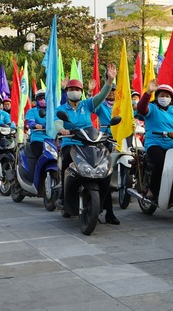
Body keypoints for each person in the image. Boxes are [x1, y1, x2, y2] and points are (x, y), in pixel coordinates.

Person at [56, 63, 119, 225]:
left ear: (81, 92)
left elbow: (101, 97)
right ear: (67, 92)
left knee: (105, 171)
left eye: (77, 90)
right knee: (67, 163)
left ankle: (109, 212)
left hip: (90, 143)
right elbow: (57, 122)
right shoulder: (62, 108)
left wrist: (109, 81)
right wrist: (61, 130)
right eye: (71, 89)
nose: (74, 92)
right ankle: (64, 196)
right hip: (71, 143)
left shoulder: (87, 104)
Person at [136, 79, 173, 201]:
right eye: (162, 95)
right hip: (154, 143)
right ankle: (152, 190)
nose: (164, 98)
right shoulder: (152, 108)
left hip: (172, 144)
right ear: (157, 97)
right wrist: (148, 93)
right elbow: (141, 109)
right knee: (161, 163)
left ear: (171, 98)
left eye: (167, 96)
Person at [25, 89, 52, 161]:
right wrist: (36, 125)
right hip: (38, 138)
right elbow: (30, 122)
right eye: (40, 99)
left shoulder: (53, 110)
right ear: (37, 100)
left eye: (44, 98)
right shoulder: (32, 111)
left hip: (52, 138)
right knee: (40, 155)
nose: (43, 100)